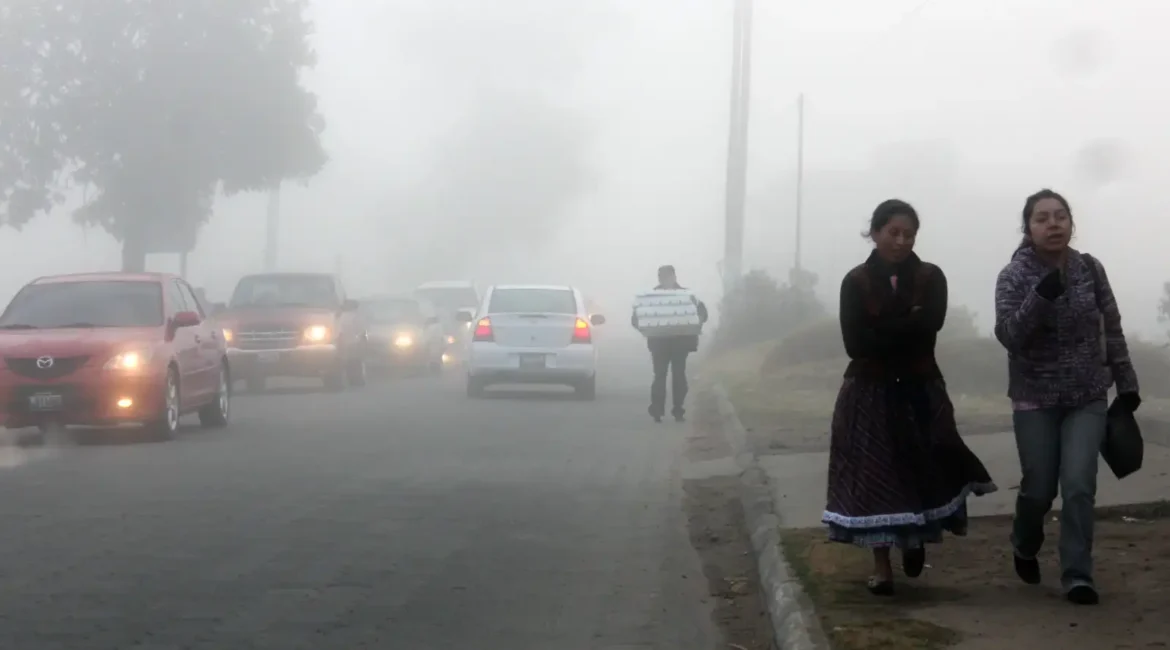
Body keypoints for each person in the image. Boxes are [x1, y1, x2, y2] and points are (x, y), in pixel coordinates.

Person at [824, 199, 997, 596]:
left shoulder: (931, 277)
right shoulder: (855, 281)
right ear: (875, 232)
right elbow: (856, 344)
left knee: (926, 461)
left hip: (920, 387)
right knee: (874, 475)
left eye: (909, 234)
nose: (901, 241)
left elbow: (930, 326)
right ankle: (882, 565)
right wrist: (907, 322)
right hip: (869, 393)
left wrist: (884, 329)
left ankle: (916, 538)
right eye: (893, 233)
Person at [993, 189, 1140, 606]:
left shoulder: (1089, 269)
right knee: (1039, 490)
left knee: (1078, 484)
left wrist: (1126, 384)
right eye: (1043, 218)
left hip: (1087, 396)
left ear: (1071, 224)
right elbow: (1010, 337)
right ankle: (1024, 541)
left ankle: (1077, 574)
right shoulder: (1014, 275)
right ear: (1028, 228)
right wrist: (1041, 296)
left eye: (1061, 216)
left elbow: (1110, 326)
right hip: (1034, 399)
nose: (1053, 224)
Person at [631, 265, 709, 423]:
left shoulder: (686, 296)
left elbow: (702, 314)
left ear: (673, 277)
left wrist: (695, 322)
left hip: (675, 343)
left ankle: (672, 409)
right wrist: (645, 328)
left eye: (666, 277)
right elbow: (637, 319)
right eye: (663, 277)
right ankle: (664, 410)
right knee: (665, 375)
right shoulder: (653, 297)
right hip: (664, 343)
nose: (665, 280)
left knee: (673, 375)